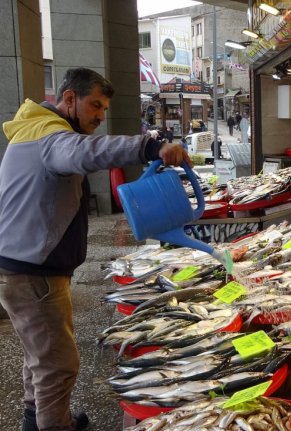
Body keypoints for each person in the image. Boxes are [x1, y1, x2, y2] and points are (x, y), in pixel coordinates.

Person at [0, 68, 189, 431]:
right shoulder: (52, 137)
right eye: (95, 105)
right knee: (58, 364)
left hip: (24, 266)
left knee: (39, 356)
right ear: (69, 99)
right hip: (33, 273)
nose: (100, 116)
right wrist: (149, 146)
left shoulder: (33, 130)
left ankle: (34, 419)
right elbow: (89, 152)